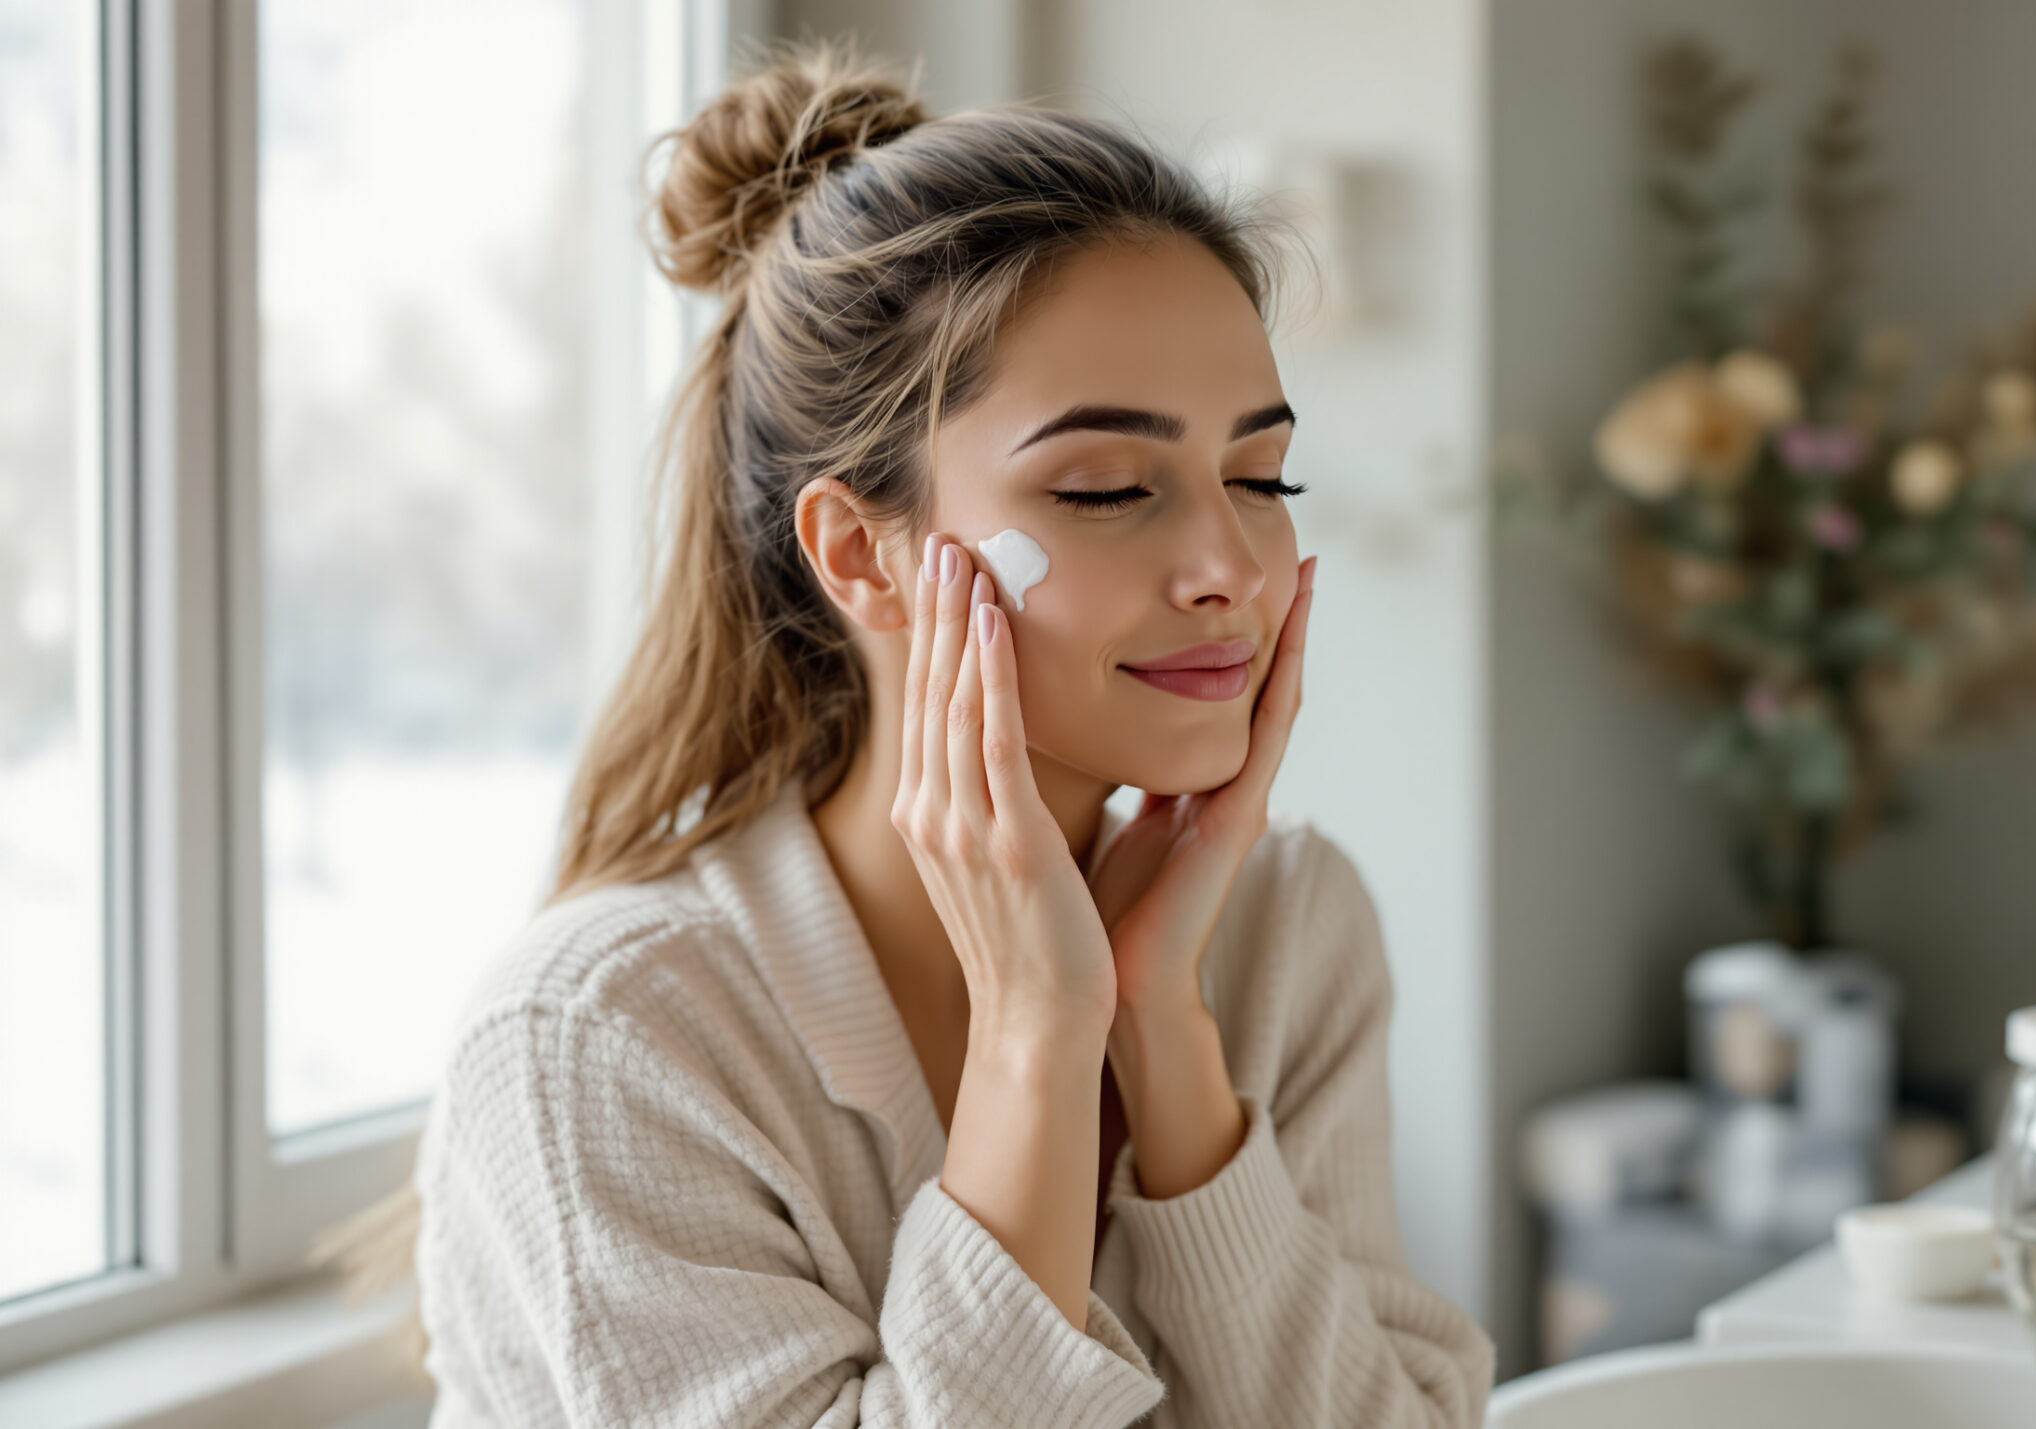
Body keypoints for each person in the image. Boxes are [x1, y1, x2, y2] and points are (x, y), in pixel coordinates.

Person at [330, 36, 1495, 1429]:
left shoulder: (1285, 925)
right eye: (1111, 487)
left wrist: (1165, 1045)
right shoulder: (606, 1031)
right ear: (863, 555)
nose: (1231, 566)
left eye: (1260, 472)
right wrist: (1034, 1040)